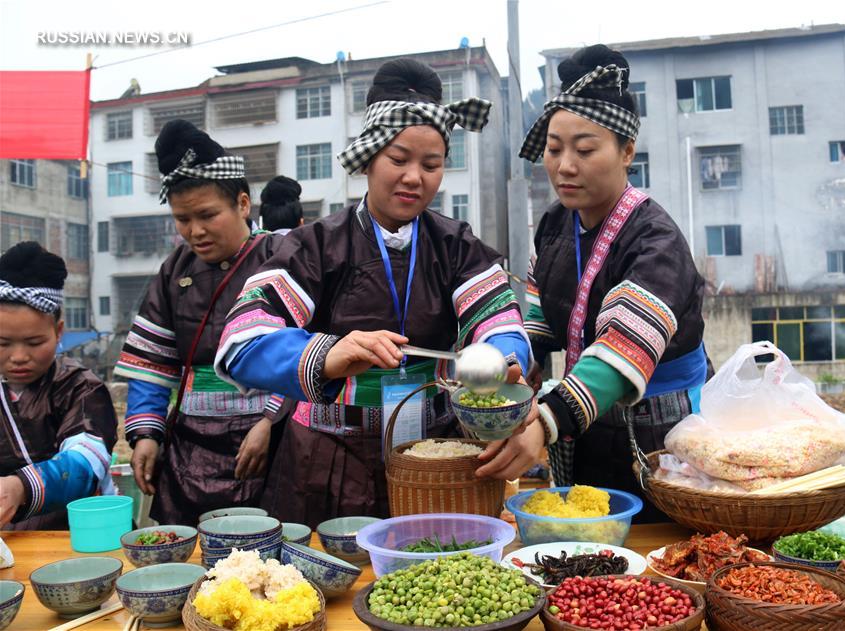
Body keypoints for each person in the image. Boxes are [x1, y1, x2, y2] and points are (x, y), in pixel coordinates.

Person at [214, 59, 540, 527]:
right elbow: (242, 341)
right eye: (399, 159)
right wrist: (326, 354)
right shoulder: (315, 246)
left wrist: (500, 360)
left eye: (432, 165)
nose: (415, 177)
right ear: (368, 157)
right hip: (326, 459)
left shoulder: (457, 246)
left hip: (437, 454)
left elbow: (499, 321)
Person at [518, 45, 709, 523]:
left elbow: (624, 349)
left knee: (655, 550)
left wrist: (546, 420)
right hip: (586, 419)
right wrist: (524, 360)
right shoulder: (554, 225)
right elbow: (541, 307)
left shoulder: (655, 240)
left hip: (662, 435)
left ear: (627, 151)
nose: (565, 166)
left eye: (584, 150)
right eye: (554, 148)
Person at [114, 119, 283, 525]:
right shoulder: (175, 271)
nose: (195, 231)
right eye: (182, 219)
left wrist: (272, 421)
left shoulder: (283, 258)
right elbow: (153, 363)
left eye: (207, 215)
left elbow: (316, 354)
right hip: (190, 451)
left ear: (243, 203)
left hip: (267, 444)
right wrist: (147, 434)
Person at [0, 242, 118, 530]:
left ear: (58, 331)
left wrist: (20, 487)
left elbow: (84, 462)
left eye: (34, 343)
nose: (18, 357)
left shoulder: (81, 388)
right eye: (2, 343)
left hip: (83, 529)